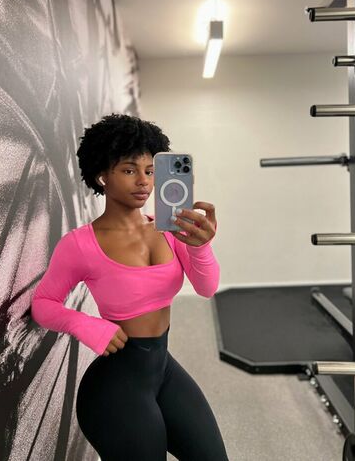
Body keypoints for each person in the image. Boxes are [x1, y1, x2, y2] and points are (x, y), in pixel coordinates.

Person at [30, 113, 229, 461]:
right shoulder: (80, 244)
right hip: (114, 389)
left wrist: (201, 247)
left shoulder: (171, 229)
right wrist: (87, 325)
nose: (143, 181)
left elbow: (207, 288)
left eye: (150, 171)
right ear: (102, 175)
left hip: (162, 369)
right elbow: (44, 303)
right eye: (128, 170)